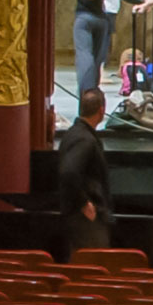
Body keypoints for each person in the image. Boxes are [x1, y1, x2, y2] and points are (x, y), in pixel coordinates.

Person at [54, 0, 146, 99]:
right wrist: (147, 0)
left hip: (83, 20)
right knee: (97, 60)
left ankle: (85, 94)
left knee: (84, 57)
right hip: (101, 21)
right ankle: (93, 95)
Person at [56, 86, 112, 252]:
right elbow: (68, 172)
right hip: (85, 223)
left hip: (77, 218)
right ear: (102, 110)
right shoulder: (84, 140)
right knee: (93, 268)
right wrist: (84, 204)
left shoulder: (73, 134)